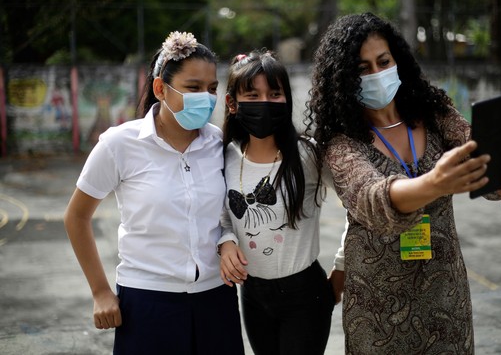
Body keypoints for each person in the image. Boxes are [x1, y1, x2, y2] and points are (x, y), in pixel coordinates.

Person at [307, 13, 501, 354]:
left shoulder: (435, 114)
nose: (376, 73)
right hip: (377, 309)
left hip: (445, 298)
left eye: (383, 61)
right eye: (362, 68)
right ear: (344, 79)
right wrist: (437, 182)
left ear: (398, 60)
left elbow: (480, 156)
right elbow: (372, 198)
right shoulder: (341, 143)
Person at [63, 31, 245, 354]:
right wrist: (101, 292)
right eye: (193, 88)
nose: (206, 97)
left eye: (212, 88)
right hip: (146, 303)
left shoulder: (218, 143)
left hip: (216, 299)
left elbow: (226, 210)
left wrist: (227, 239)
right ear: (161, 88)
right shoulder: (119, 144)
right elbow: (76, 217)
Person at [217, 50, 341, 355]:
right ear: (232, 103)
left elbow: (359, 206)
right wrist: (226, 241)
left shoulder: (308, 155)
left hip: (305, 295)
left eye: (275, 93)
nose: (265, 102)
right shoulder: (224, 156)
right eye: (253, 94)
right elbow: (221, 217)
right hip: (252, 294)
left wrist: (342, 267)